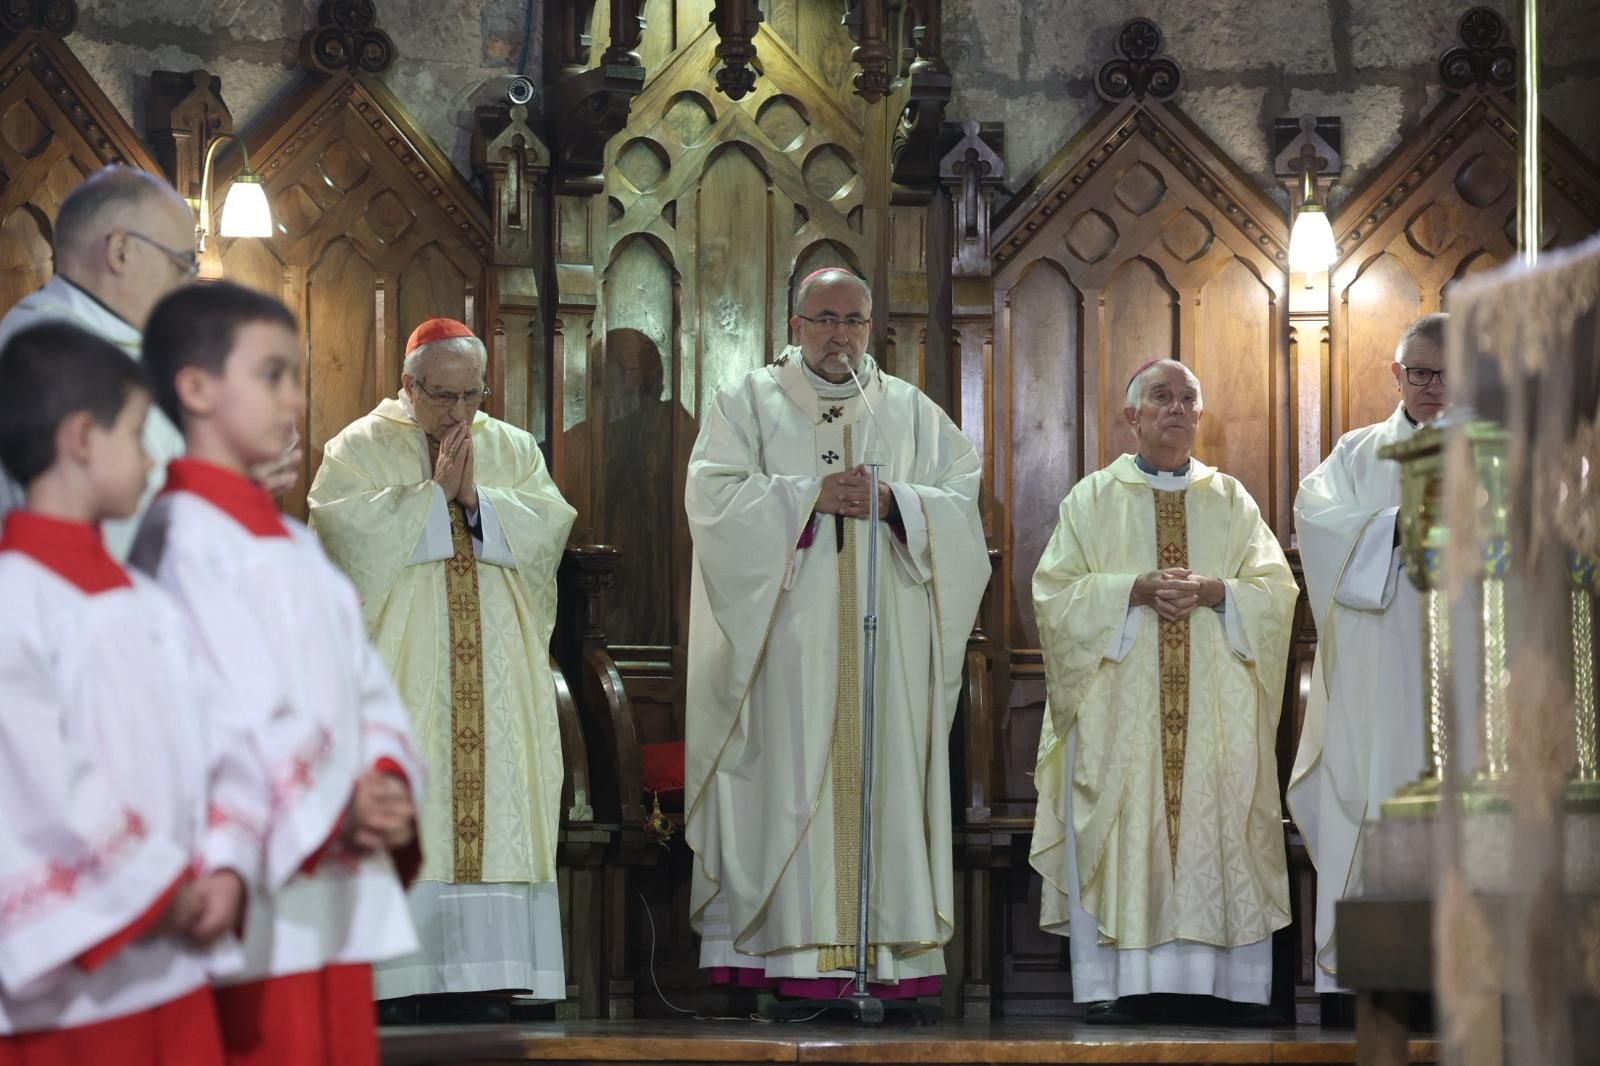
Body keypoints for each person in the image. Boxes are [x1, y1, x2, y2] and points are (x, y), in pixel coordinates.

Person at [130, 282, 424, 1066]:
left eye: (295, 376)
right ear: (196, 387)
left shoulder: (293, 546)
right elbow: (225, 709)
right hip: (256, 885)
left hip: (330, 878)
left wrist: (387, 771)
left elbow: (364, 682)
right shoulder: (181, 536)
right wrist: (337, 797)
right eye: (271, 375)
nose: (294, 399)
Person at [683, 267, 989, 997]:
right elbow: (712, 498)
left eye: (853, 321)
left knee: (881, 778)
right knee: (785, 776)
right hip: (784, 644)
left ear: (870, 326)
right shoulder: (748, 403)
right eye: (824, 319)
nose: (840, 336)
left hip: (888, 647)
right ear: (796, 326)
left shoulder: (908, 411)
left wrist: (898, 503)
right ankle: (781, 959)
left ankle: (882, 963)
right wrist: (807, 498)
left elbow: (961, 502)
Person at [0, 323, 251, 1065]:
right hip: (70, 990)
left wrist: (226, 862)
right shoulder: (17, 603)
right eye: (138, 435)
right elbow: (41, 781)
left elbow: (218, 739)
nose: (151, 460)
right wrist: (158, 889)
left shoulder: (148, 604)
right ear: (81, 438)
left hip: (174, 964)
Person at [307, 318, 576, 1009]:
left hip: (499, 674)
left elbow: (549, 528)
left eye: (472, 395)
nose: (459, 413)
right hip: (402, 674)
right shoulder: (359, 447)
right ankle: (399, 979)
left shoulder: (511, 448)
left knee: (501, 800)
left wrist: (476, 502)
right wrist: (429, 499)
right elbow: (339, 533)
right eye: (442, 396)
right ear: (409, 385)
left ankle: (495, 973)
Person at [1028, 359, 1299, 1021]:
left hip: (1216, 712)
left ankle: (1228, 987)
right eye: (1162, 397)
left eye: (1187, 398)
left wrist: (1216, 591)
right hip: (1120, 711)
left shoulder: (1230, 499)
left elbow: (1276, 591)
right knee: (1127, 821)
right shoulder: (1093, 498)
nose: (1177, 408)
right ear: (1133, 416)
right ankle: (1121, 984)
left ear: (1199, 415)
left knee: (1221, 823)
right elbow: (1054, 594)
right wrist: (1131, 590)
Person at [1286, 313, 1447, 994]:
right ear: (1397, 374)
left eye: (1449, 375)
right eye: (1421, 372)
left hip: (1468, 680)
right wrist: (1398, 527)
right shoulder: (1357, 454)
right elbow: (1316, 520)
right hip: (1378, 673)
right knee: (1375, 796)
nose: (1434, 387)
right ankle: (1375, 977)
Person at [0, 166, 199, 555]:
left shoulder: (88, 333)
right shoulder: (55, 356)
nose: (187, 284)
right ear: (120, 250)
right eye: (182, 264)